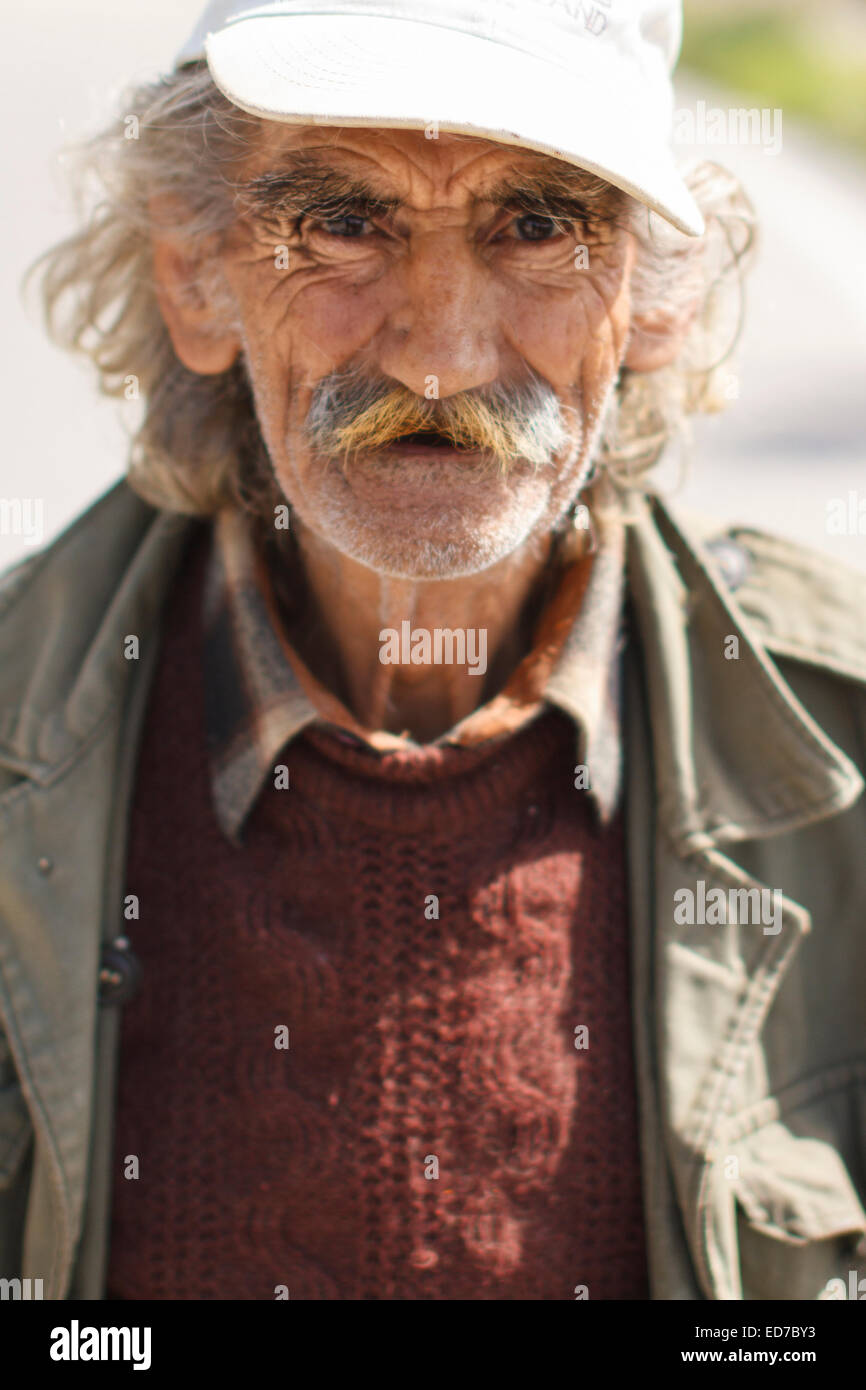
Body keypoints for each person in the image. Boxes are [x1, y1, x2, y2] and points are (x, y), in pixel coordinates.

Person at [1, 0, 864, 1302]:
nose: (443, 357)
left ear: (650, 298)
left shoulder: (842, 744)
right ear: (196, 276)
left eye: (536, 227)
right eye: (343, 223)